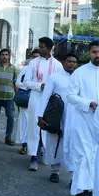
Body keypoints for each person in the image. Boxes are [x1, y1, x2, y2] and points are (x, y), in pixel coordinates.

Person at [66, 40, 99, 196]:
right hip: (83, 123)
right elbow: (70, 96)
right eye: (94, 52)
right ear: (89, 53)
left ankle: (94, 193)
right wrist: (89, 103)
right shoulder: (79, 73)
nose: (98, 55)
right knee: (83, 157)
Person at [18, 37, 63, 171]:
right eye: (40, 46)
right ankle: (34, 157)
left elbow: (60, 83)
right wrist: (39, 86)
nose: (40, 49)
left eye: (43, 47)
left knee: (49, 126)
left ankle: (47, 154)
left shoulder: (57, 65)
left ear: (50, 48)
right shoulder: (33, 63)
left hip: (51, 101)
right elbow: (26, 82)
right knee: (34, 127)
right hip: (36, 98)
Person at [37, 51, 79, 183]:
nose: (71, 64)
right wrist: (40, 116)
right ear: (63, 63)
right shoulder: (54, 77)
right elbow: (45, 97)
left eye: (74, 62)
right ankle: (55, 171)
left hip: (75, 116)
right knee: (55, 140)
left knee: (74, 144)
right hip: (57, 115)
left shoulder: (79, 78)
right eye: (69, 61)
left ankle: (73, 176)